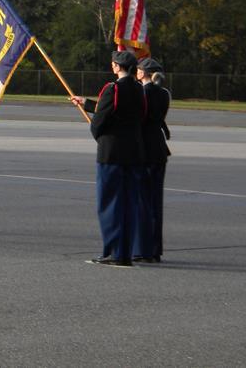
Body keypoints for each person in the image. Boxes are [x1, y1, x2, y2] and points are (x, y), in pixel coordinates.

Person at [71, 50, 145, 267]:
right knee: (128, 204)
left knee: (110, 204)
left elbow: (100, 121)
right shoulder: (139, 90)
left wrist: (100, 136)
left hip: (112, 153)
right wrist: (86, 103)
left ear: (116, 66)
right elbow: (123, 111)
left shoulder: (112, 88)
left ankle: (113, 252)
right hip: (134, 153)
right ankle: (124, 252)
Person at [134, 57, 171, 262]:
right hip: (159, 150)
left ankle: (143, 248)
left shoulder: (142, 93)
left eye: (139, 70)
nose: (136, 72)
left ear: (144, 73)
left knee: (142, 202)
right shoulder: (164, 93)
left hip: (144, 150)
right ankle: (155, 248)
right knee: (155, 202)